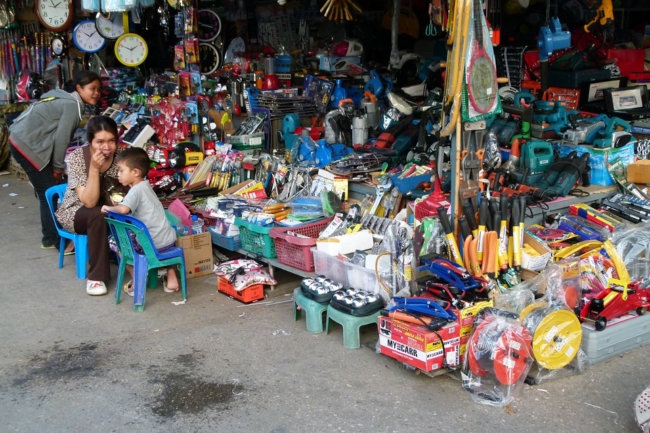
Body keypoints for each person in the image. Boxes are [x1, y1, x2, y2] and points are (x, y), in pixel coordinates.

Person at [9, 71, 101, 254]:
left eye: (99, 89)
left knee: (47, 192)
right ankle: (57, 241)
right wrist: (58, 168)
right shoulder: (72, 106)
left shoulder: (64, 98)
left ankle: (50, 238)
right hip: (27, 146)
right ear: (79, 88)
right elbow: (61, 140)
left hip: (20, 141)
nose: (97, 93)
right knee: (49, 194)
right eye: (92, 88)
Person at [55, 116, 127, 296]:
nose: (106, 147)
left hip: (112, 209)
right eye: (100, 141)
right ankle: (96, 277)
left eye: (111, 141)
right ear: (90, 141)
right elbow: (89, 202)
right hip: (76, 212)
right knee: (97, 213)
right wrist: (94, 169)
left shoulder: (122, 157)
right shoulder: (77, 158)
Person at [101, 147, 180, 295]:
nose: (118, 175)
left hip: (151, 244)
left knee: (115, 242)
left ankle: (136, 275)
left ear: (135, 172)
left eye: (121, 171)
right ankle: (171, 276)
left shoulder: (135, 190)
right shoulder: (146, 186)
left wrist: (110, 208)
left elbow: (124, 210)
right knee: (160, 231)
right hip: (168, 240)